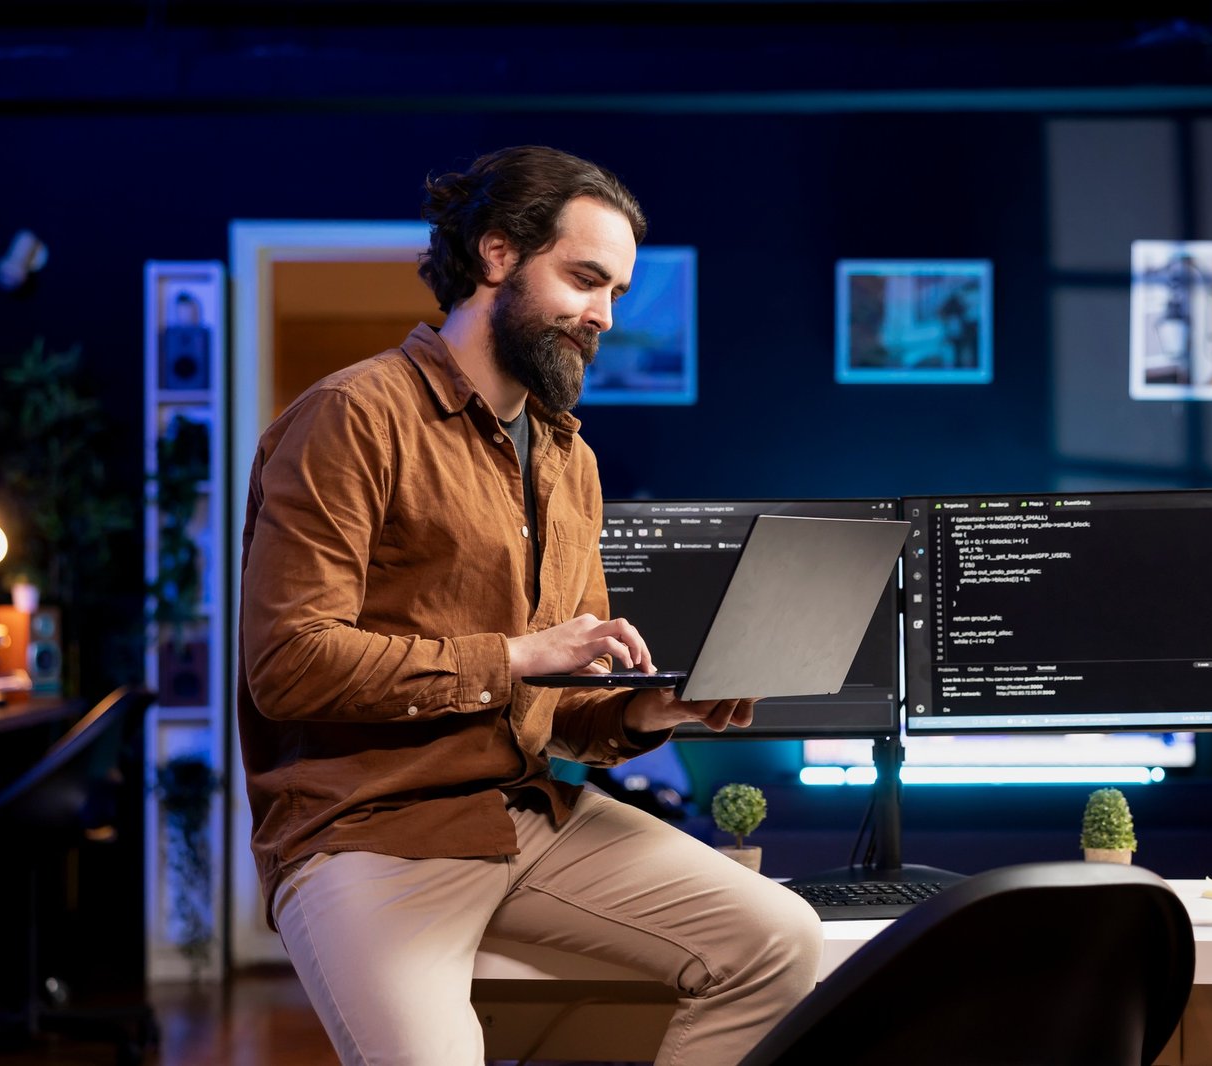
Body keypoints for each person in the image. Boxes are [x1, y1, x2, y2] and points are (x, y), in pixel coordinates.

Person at [237, 145, 824, 1065]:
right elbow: (288, 665)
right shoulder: (352, 415)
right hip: (366, 832)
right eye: (585, 279)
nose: (602, 316)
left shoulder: (567, 457)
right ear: (498, 255)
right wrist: (513, 657)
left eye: (617, 294)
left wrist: (647, 709)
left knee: (780, 940)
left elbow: (566, 707)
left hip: (526, 815)